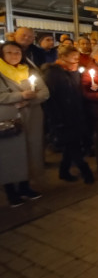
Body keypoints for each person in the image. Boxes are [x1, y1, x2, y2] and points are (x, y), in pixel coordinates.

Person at [0, 42, 50, 207]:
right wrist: (20, 96)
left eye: (17, 52)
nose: (14, 55)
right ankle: (10, 191)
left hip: (32, 117)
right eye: (9, 52)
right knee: (9, 153)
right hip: (9, 119)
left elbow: (44, 92)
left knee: (29, 151)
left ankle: (25, 186)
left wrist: (29, 100)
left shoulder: (29, 70)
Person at [42, 45, 94, 183]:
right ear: (63, 57)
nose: (76, 59)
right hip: (62, 116)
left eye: (77, 57)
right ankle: (85, 171)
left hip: (76, 114)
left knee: (71, 145)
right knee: (73, 145)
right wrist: (56, 118)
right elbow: (51, 98)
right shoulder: (53, 73)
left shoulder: (74, 71)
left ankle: (64, 171)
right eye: (73, 56)